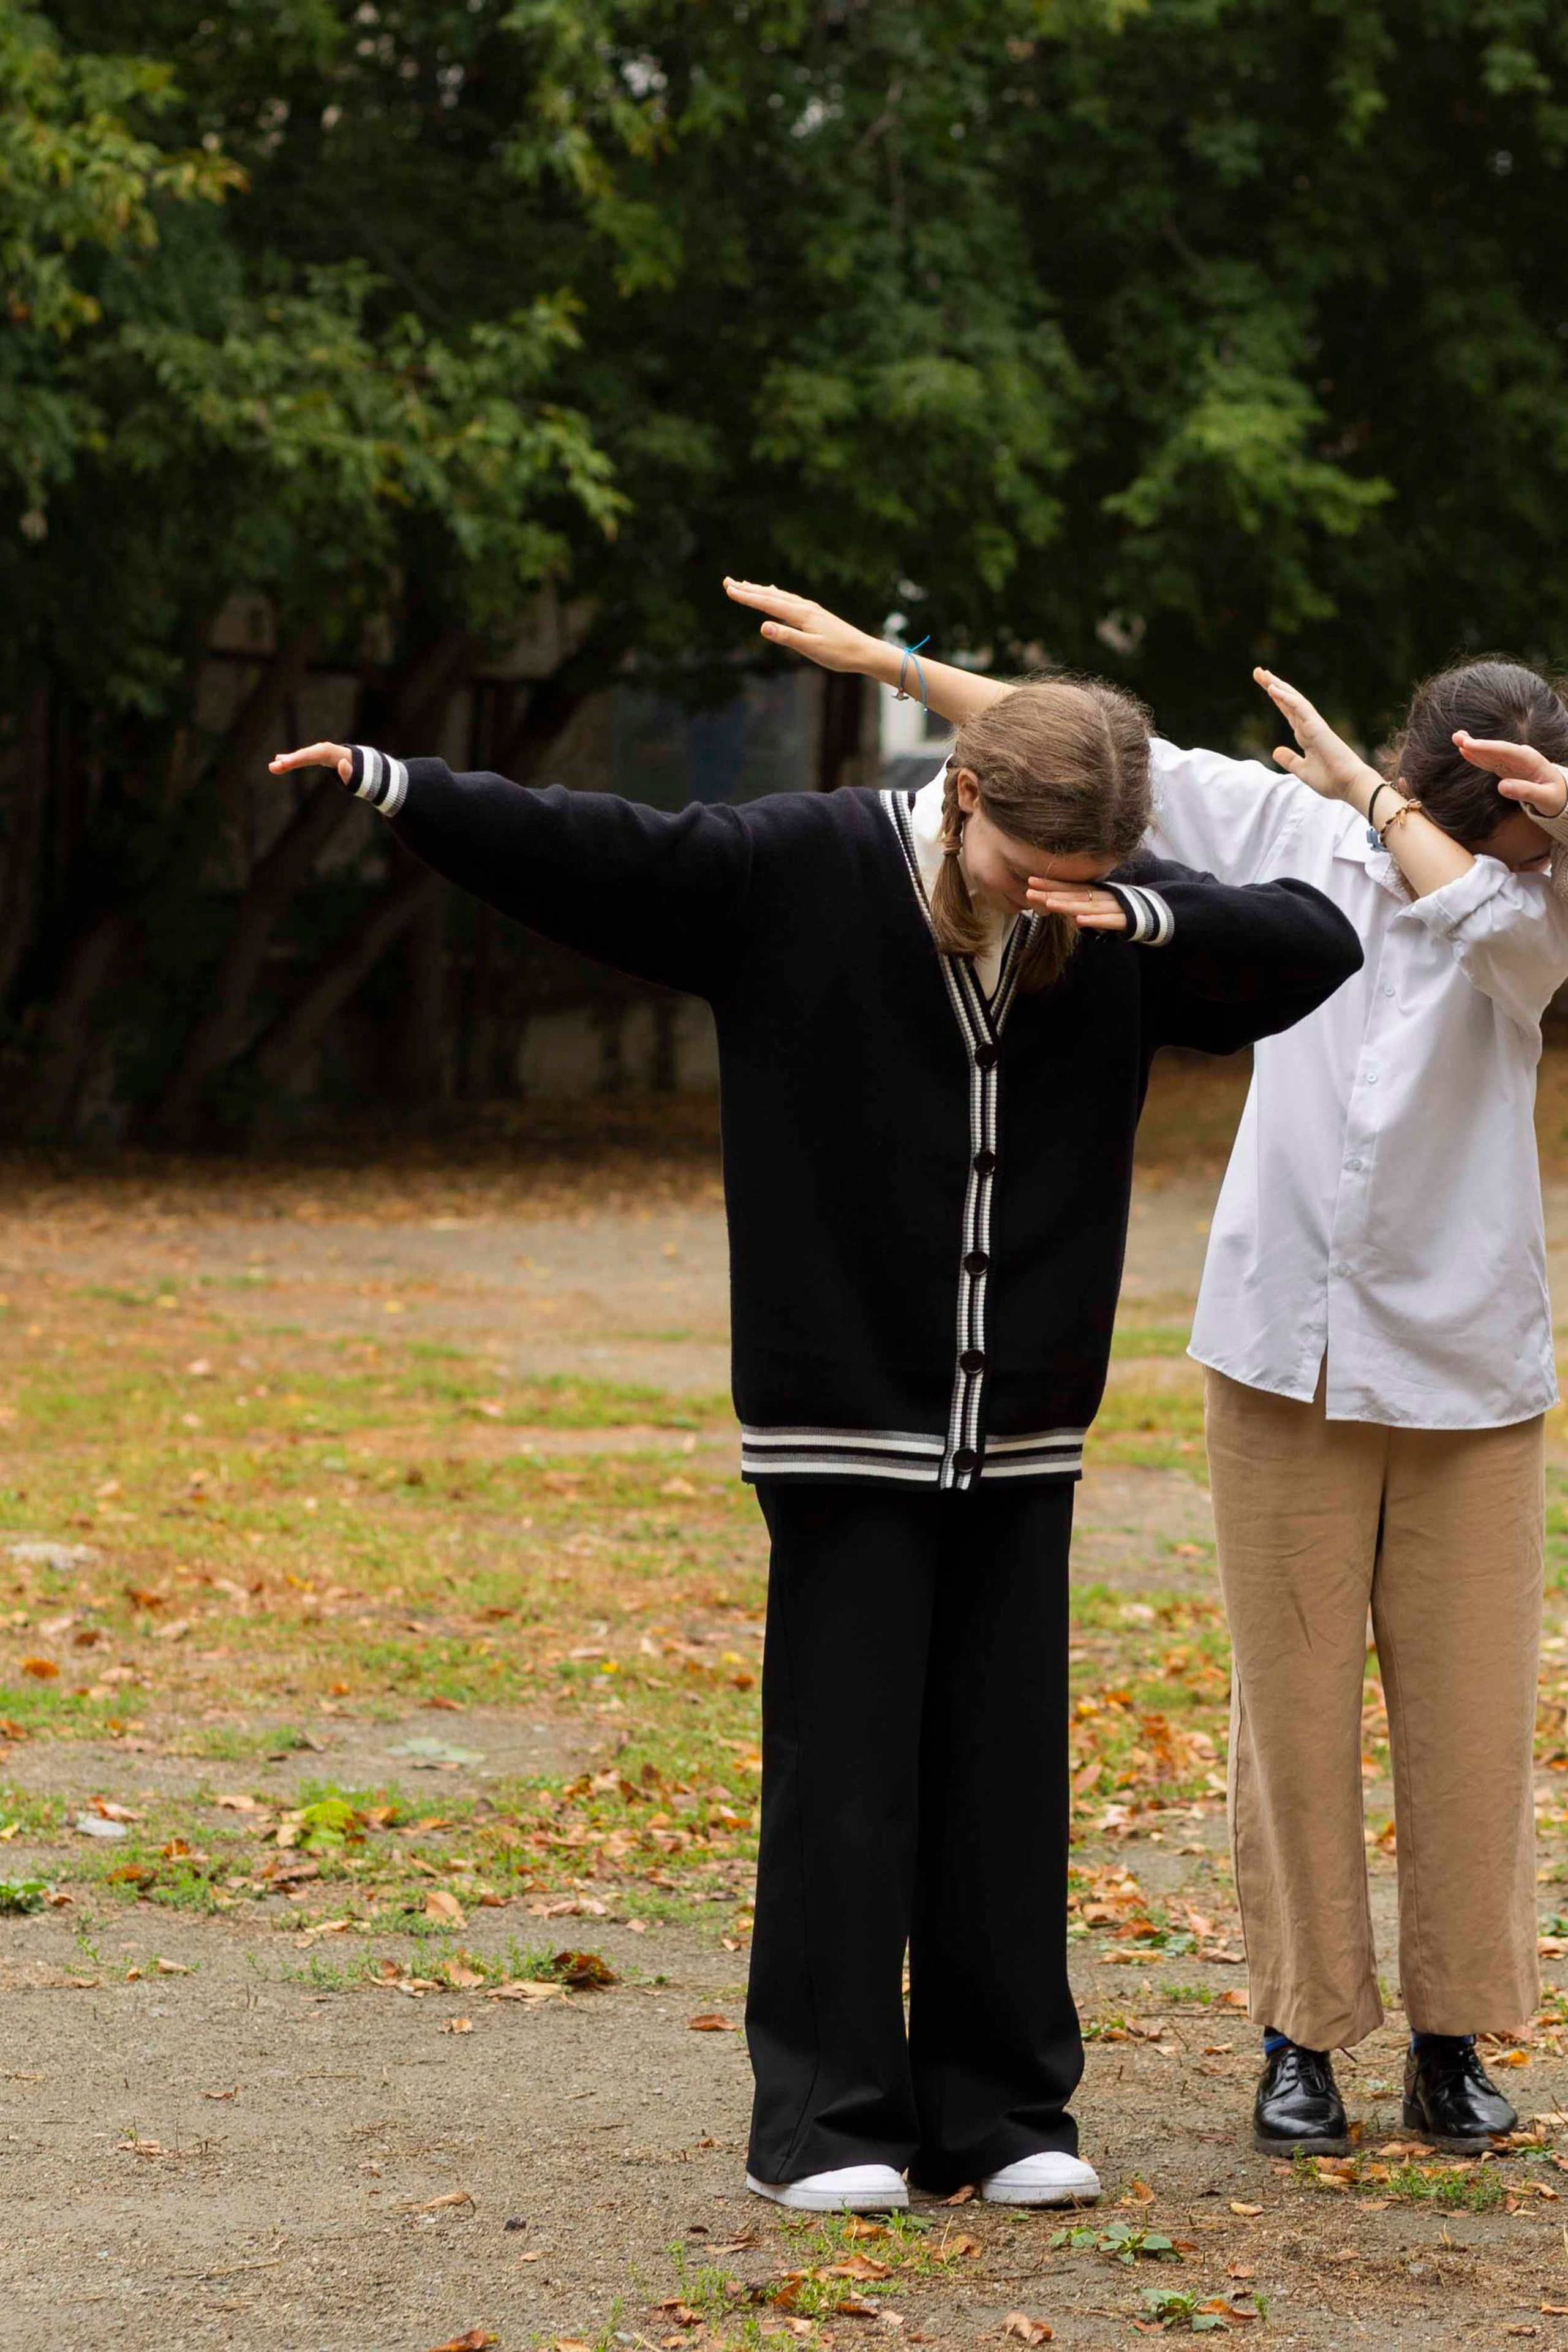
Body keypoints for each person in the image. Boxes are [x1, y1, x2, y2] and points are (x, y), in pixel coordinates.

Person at [268, 655, 1359, 2213]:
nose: (1047, 906)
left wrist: (1137, 914)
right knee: (846, 1774)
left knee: (1001, 1776)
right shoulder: (797, 868)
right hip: (839, 1412)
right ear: (962, 797)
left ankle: (1000, 2114)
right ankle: (827, 2121)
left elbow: (1312, 939)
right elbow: (597, 848)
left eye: (1085, 885)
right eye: (1026, 876)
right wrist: (401, 783)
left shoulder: (1111, 917)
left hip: (1023, 1425)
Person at [726, 576, 1568, 2157]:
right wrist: (887, 661)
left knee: (1469, 1719)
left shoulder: (1534, 907)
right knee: (1292, 1706)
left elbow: (1474, 915)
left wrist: (1412, 802)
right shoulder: (1288, 833)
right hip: (1282, 1352)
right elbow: (1092, 758)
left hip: (1468, 1371)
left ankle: (1457, 2036)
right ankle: (1300, 2036)